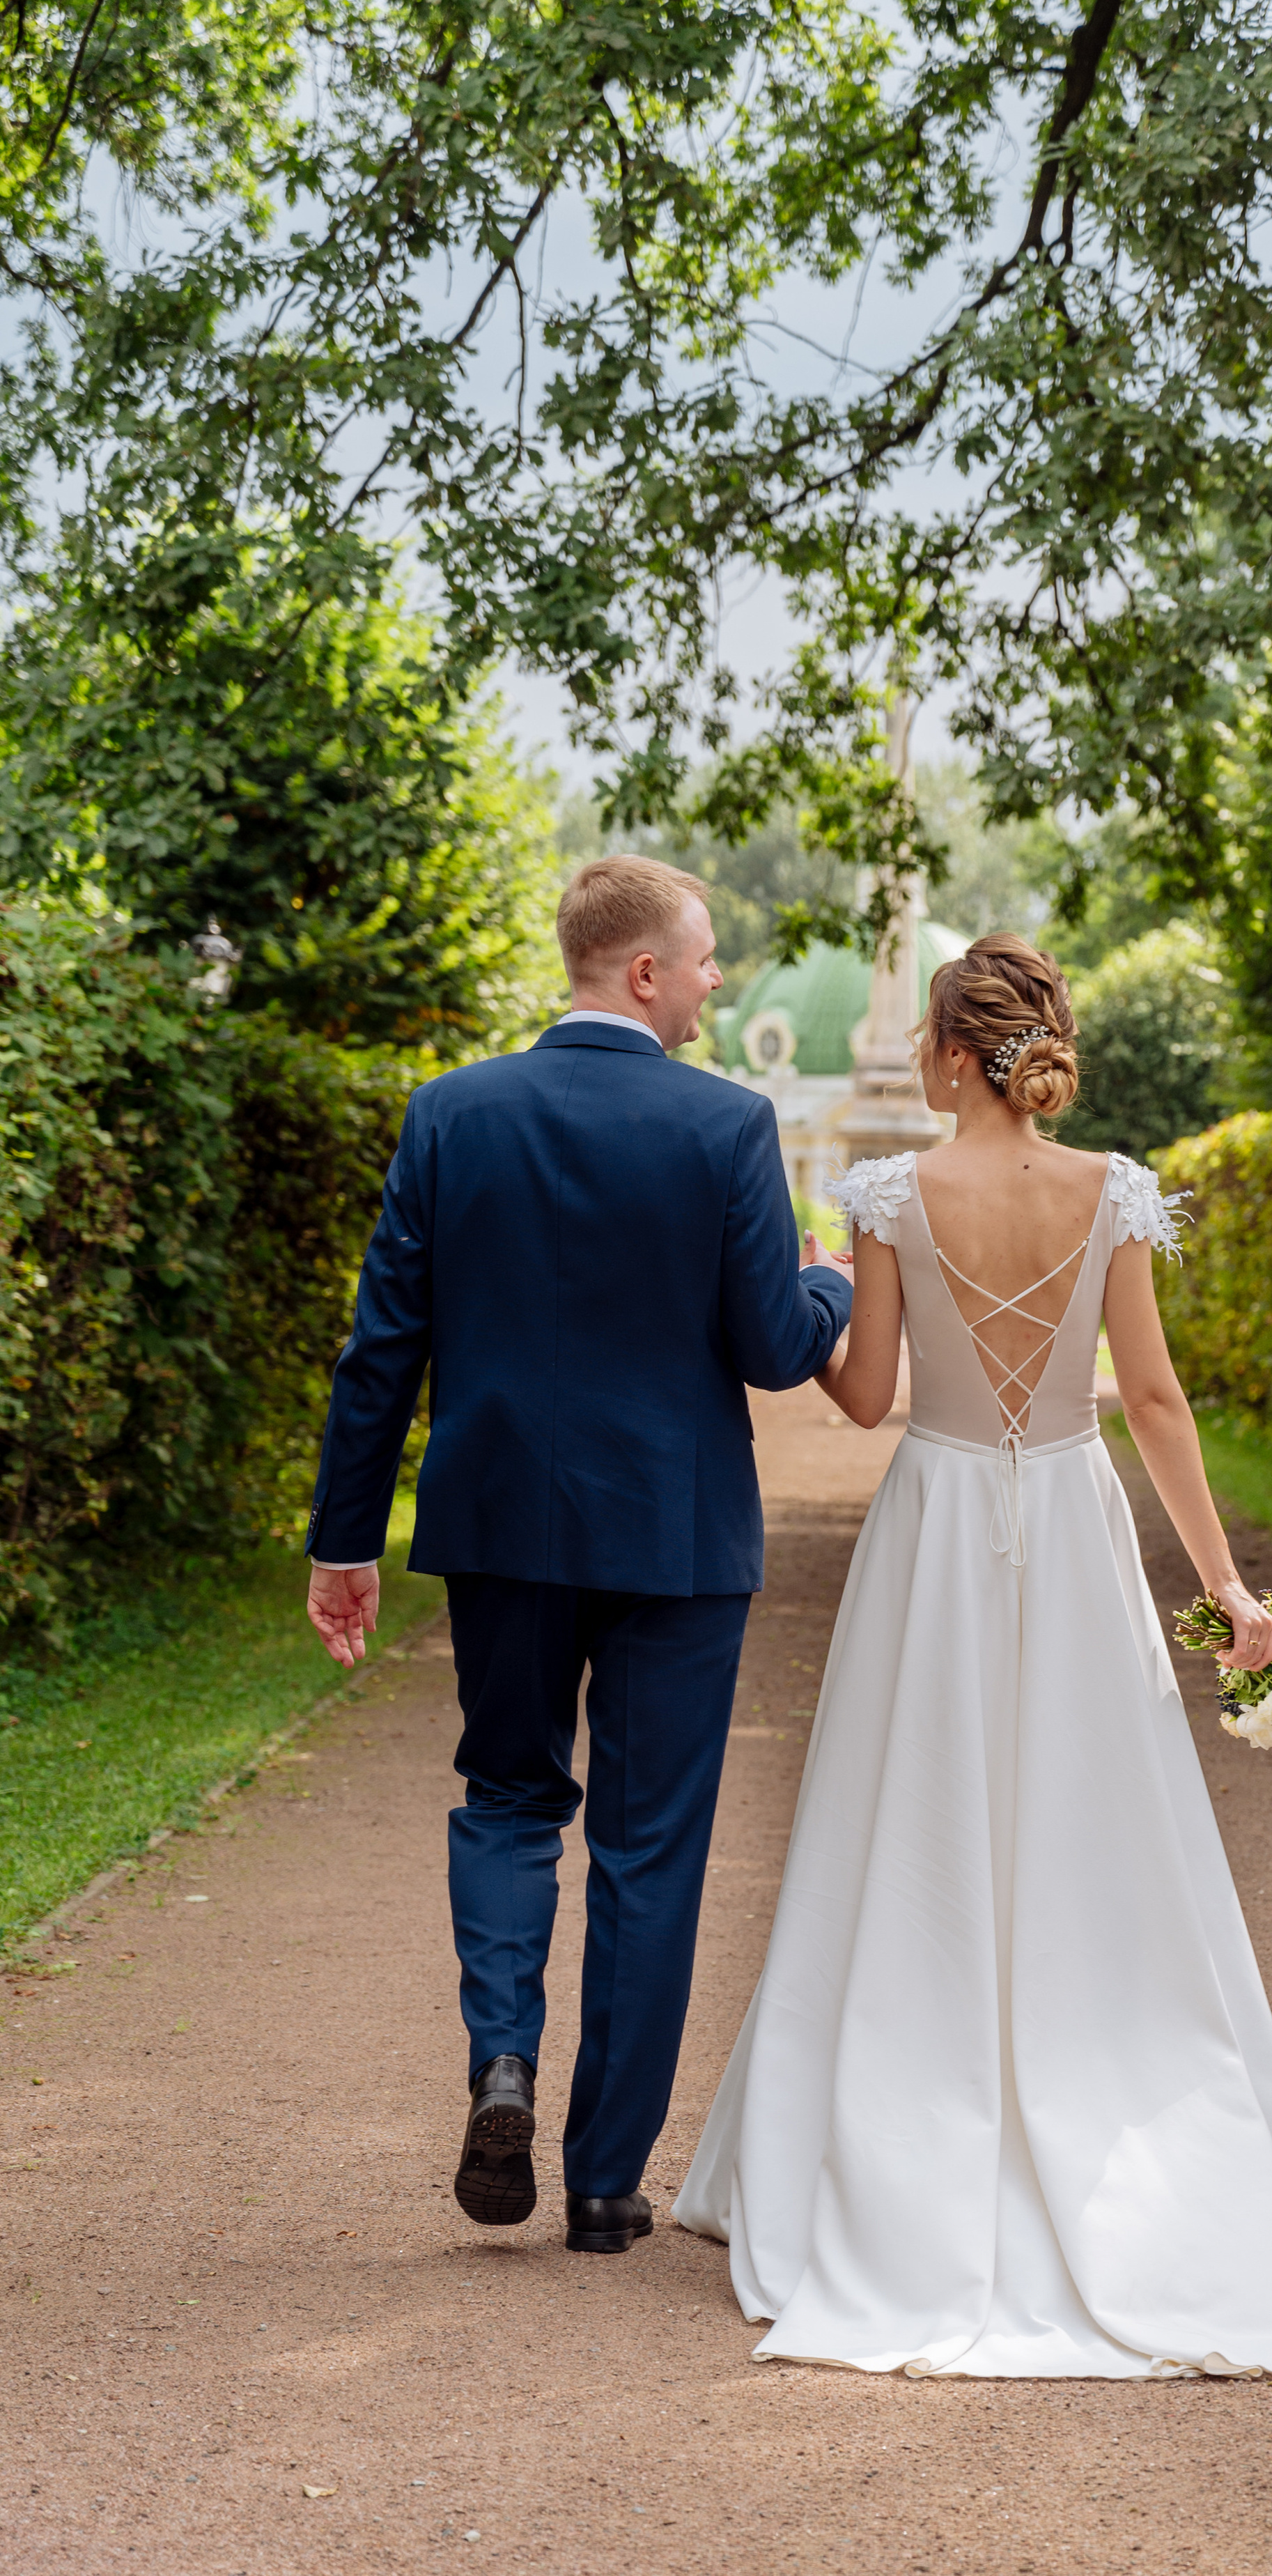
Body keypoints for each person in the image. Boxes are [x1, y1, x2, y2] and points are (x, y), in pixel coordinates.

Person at [676, 933, 1272, 2379]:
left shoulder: (891, 1194)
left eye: (930, 1040)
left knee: (907, 1806)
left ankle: (885, 2104)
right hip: (1075, 1522)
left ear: (949, 1055)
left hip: (934, 1523)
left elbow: (865, 1399)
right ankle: (1103, 2076)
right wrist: (1224, 1585)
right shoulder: (1112, 1189)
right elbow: (1150, 1399)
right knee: (1093, 1810)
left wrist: (814, 1295)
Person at [304, 856, 852, 2253]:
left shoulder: (450, 1112)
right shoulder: (730, 1124)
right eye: (705, 957)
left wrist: (344, 1539)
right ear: (645, 972)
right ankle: (604, 2188)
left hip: (501, 1527)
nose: (716, 980)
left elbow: (381, 1351)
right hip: (677, 1540)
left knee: (506, 1797)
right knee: (648, 1851)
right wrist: (834, 1279)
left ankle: (502, 2057)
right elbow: (775, 1348)